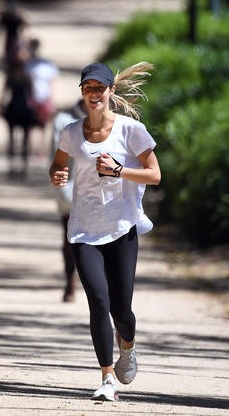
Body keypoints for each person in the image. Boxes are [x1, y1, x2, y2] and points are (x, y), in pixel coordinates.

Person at [49, 62, 160, 401]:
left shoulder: (130, 130)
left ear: (112, 91)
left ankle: (127, 343)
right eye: (88, 88)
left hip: (122, 228)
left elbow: (154, 175)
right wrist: (57, 174)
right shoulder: (70, 131)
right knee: (98, 302)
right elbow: (58, 164)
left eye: (100, 88)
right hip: (84, 231)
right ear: (82, 93)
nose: (94, 94)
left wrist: (119, 170)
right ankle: (107, 377)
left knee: (121, 311)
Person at [50, 99, 88, 302]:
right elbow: (55, 160)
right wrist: (63, 191)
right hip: (72, 191)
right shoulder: (64, 121)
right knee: (70, 238)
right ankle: (70, 279)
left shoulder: (113, 122)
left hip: (103, 195)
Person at [2, 43, 39, 178]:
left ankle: (16, 168)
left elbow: (4, 93)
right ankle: (20, 168)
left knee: (14, 140)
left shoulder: (13, 75)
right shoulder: (26, 75)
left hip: (14, 107)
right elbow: (32, 95)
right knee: (21, 140)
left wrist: (1, 106)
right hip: (22, 108)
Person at [25, 38, 59, 127]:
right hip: (31, 98)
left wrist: (52, 99)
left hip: (44, 97)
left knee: (44, 125)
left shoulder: (47, 65)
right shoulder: (27, 64)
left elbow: (52, 83)